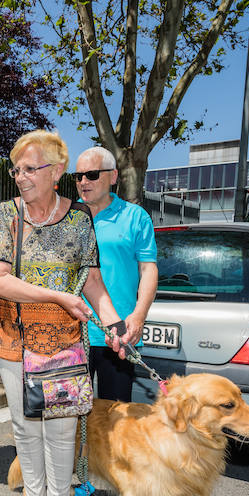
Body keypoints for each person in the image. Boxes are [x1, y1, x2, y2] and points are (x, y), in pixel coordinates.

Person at [0, 130, 129, 496]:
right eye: (16, 170)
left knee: (63, 432)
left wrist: (114, 322)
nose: (21, 177)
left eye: (31, 168)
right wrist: (58, 297)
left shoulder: (80, 220)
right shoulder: (5, 215)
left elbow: (91, 281)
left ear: (57, 171)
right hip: (14, 341)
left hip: (64, 347)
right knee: (26, 429)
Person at [75, 147, 158, 402]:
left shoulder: (135, 217)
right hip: (73, 335)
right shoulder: (68, 217)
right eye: (77, 176)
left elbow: (148, 269)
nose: (83, 182)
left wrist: (139, 315)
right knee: (69, 420)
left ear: (113, 176)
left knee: (116, 418)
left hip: (118, 334)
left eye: (91, 174)